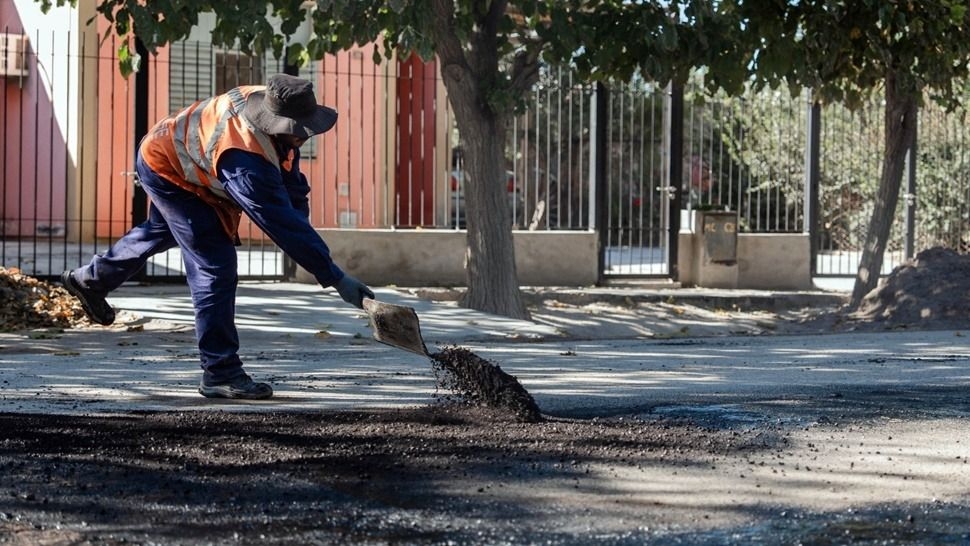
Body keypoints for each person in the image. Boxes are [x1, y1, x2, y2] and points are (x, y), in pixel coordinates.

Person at [61, 74, 374, 400]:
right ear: (278, 124)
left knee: (160, 230)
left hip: (180, 152)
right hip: (167, 165)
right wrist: (333, 276)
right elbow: (278, 221)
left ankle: (90, 280)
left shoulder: (272, 111)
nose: (305, 136)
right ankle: (220, 372)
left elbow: (292, 192)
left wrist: (307, 239)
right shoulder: (245, 159)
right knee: (215, 265)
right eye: (301, 130)